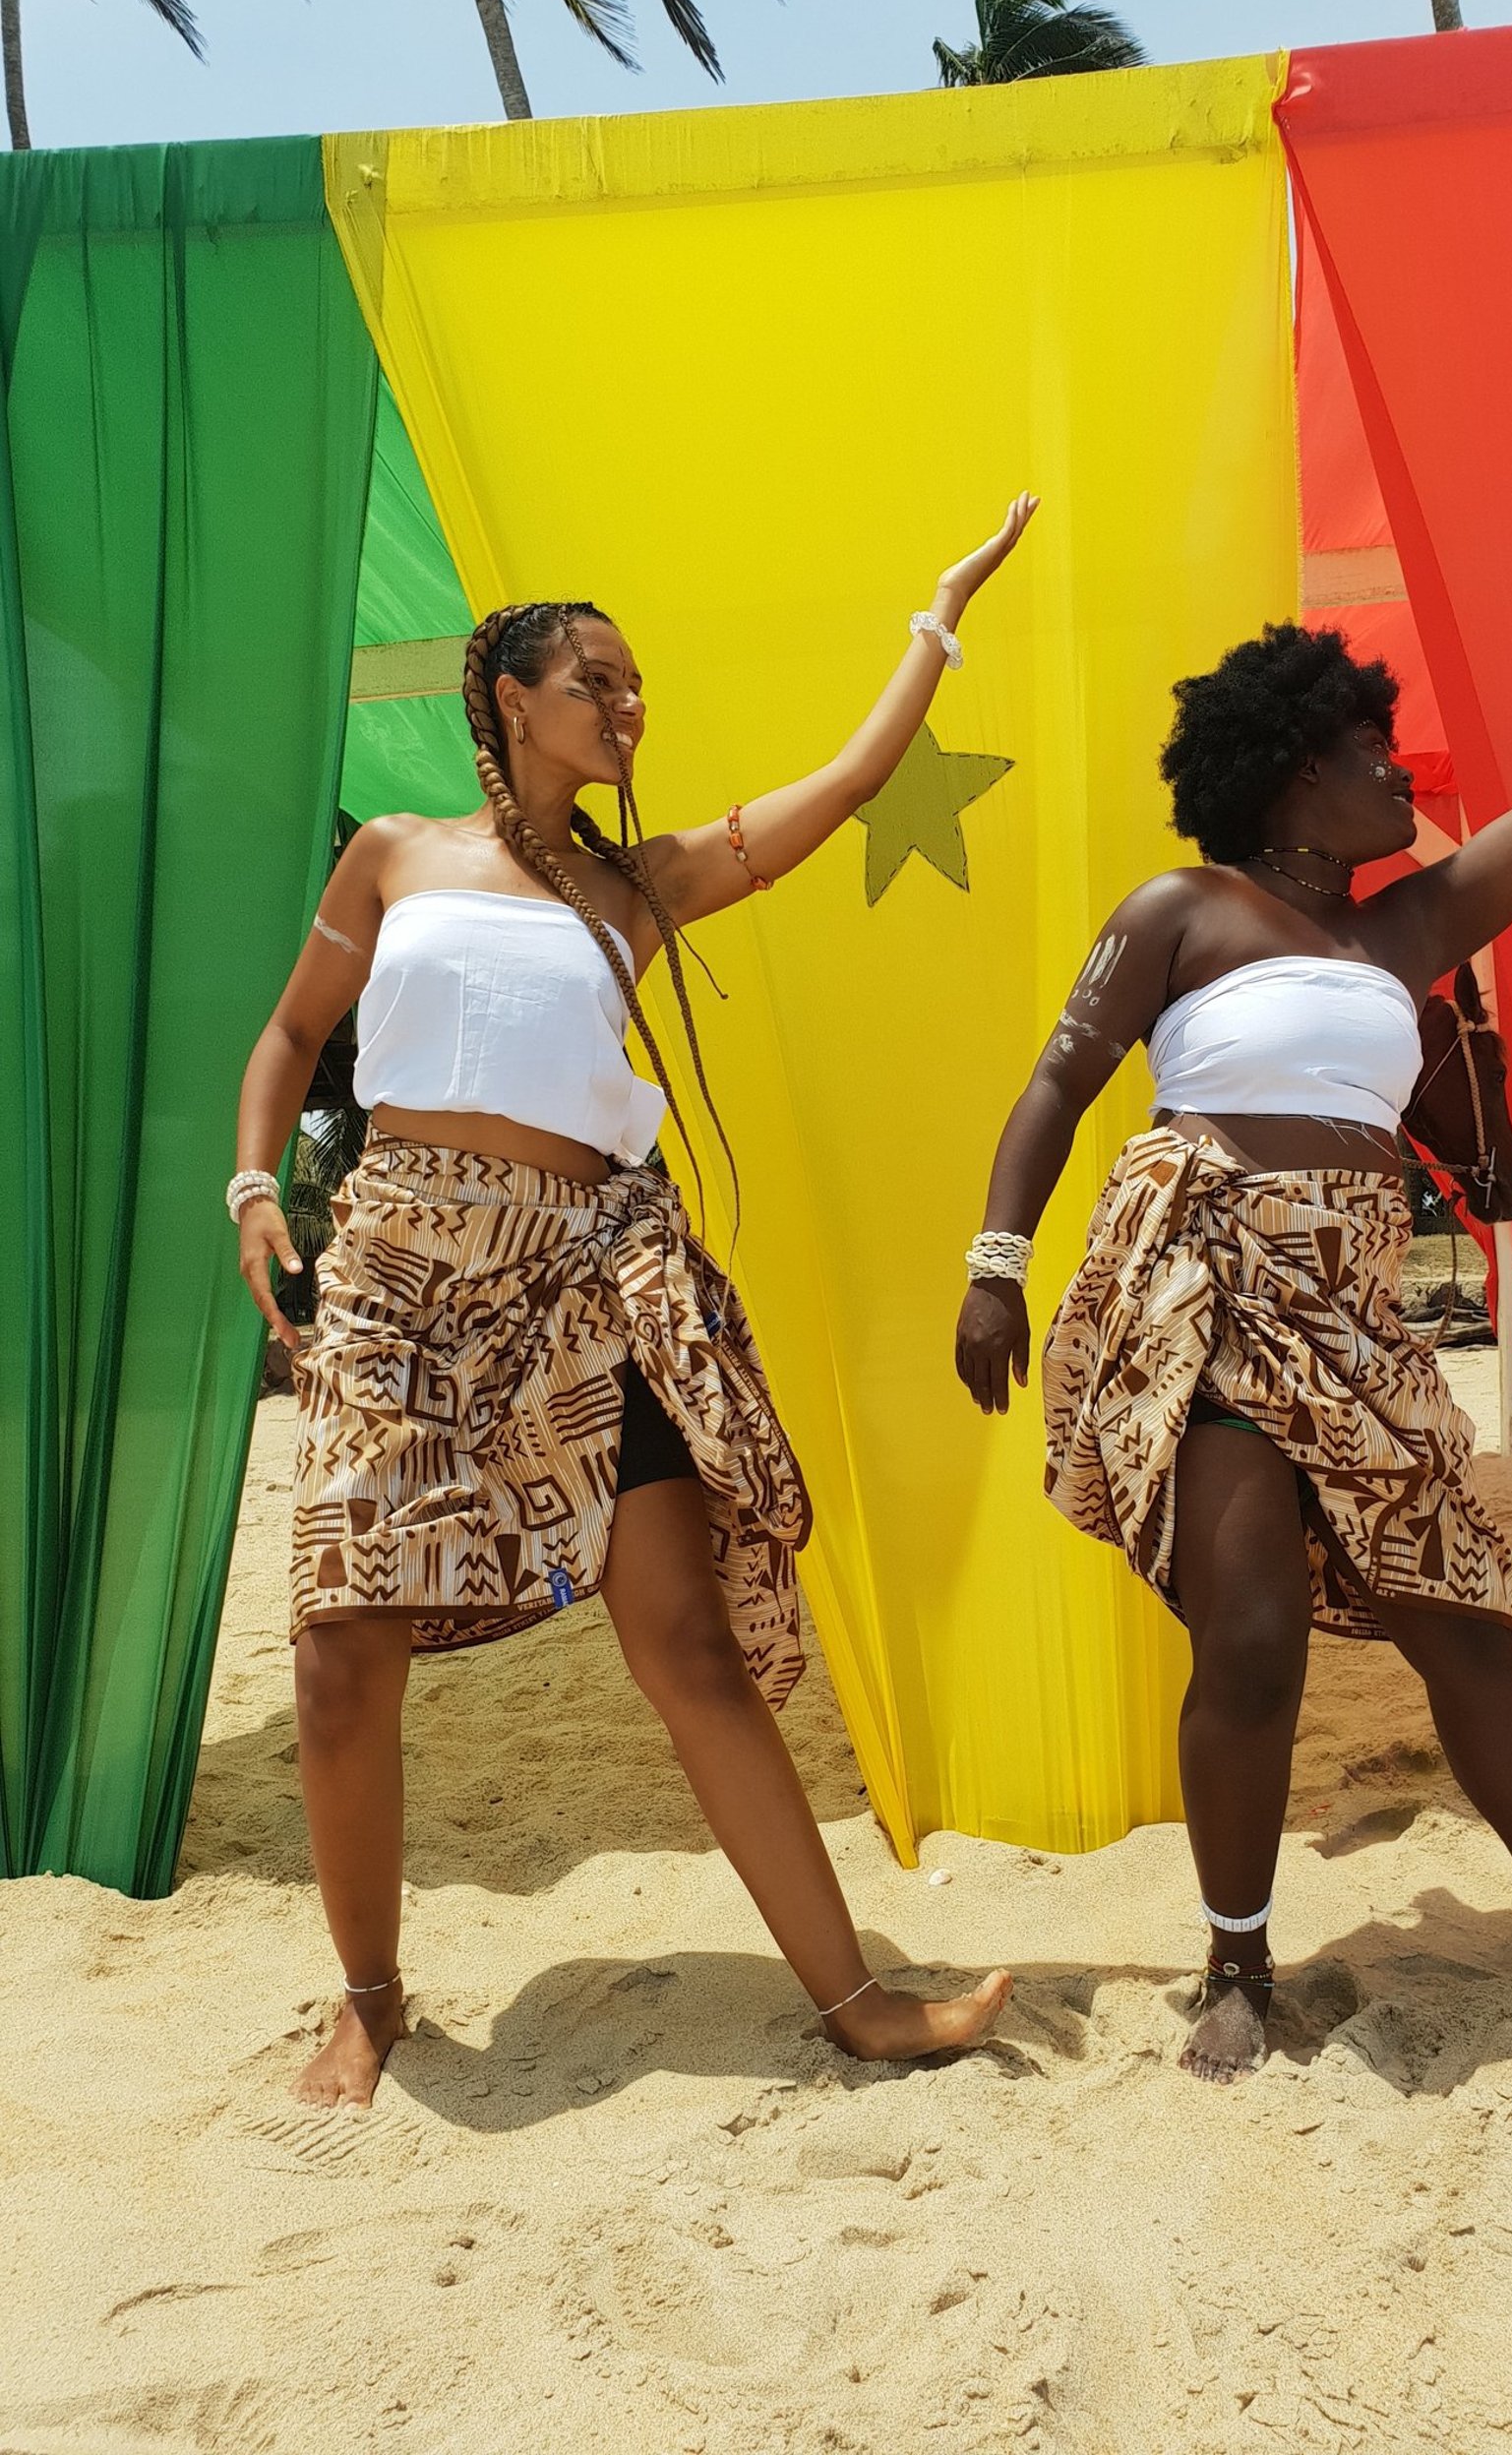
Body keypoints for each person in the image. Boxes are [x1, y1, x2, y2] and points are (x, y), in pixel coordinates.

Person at [955, 508, 1512, 2083]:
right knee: (1251, 1633)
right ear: (1290, 775)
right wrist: (995, 1267)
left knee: (1464, 1622)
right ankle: (1238, 1966)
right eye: (1371, 749)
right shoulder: (1180, 914)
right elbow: (1058, 1088)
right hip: (1199, 1274)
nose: (1400, 772)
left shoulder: (1408, 927)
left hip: (1348, 1302)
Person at [234, 493, 1038, 2108]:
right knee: (339, 1652)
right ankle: (372, 2000)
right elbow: (284, 1038)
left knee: (684, 1645)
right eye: (597, 678)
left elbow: (845, 791)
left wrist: (935, 624)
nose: (627, 703)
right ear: (513, 699)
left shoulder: (640, 888)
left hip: (590, 1274)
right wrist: (257, 1185)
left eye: (636, 682)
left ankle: (862, 1999)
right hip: (398, 1264)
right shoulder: (394, 859)